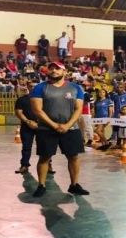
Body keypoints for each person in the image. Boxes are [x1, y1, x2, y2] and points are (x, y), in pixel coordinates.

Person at [29, 61, 88, 197]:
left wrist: (67, 125)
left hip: (71, 129)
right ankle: (41, 185)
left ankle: (74, 185)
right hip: (46, 129)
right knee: (44, 158)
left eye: (57, 68)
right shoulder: (39, 88)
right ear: (47, 72)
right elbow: (37, 110)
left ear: (64, 72)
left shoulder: (76, 88)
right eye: (51, 69)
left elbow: (78, 109)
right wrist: (54, 125)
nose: (54, 71)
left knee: (73, 156)